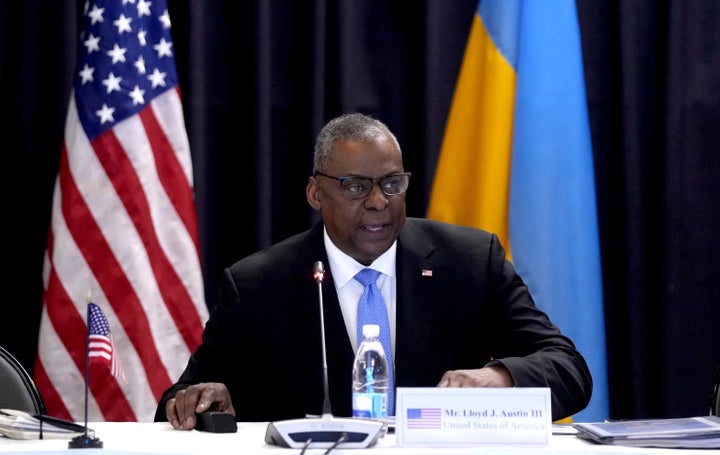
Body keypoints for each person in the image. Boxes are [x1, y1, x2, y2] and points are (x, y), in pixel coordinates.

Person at [155, 112, 592, 430]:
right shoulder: (258, 286)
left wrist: (500, 377)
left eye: (391, 184)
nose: (378, 201)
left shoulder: (471, 262)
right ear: (315, 193)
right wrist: (200, 399)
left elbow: (570, 370)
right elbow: (181, 400)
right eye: (355, 187)